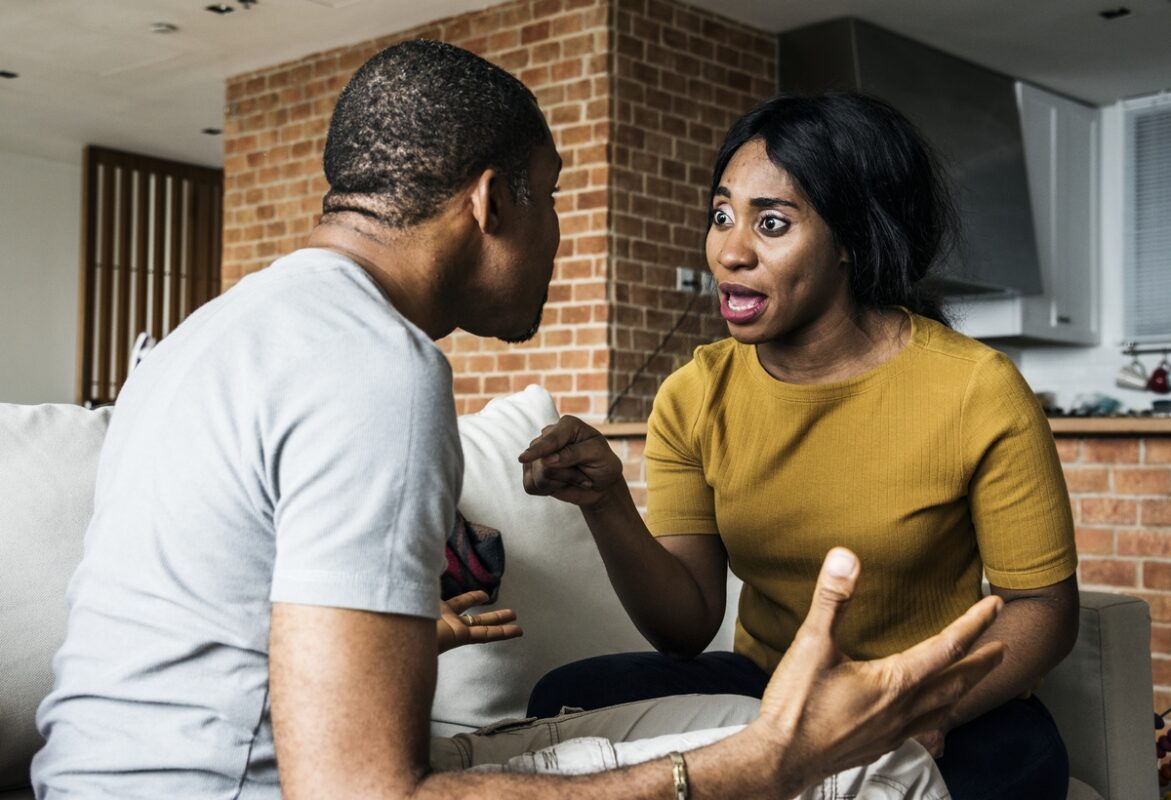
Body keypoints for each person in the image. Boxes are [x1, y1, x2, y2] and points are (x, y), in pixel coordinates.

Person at [32, 44, 1004, 799]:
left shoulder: (225, 327)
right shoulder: (375, 362)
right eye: (554, 198)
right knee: (874, 765)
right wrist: (758, 767)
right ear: (495, 202)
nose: (560, 236)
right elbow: (357, 792)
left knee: (729, 708)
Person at [521, 92, 1079, 800]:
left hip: (929, 692)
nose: (730, 251)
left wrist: (917, 709)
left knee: (1025, 761)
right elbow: (686, 625)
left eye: (772, 223)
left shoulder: (975, 388)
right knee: (565, 698)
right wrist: (605, 503)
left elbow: (1043, 609)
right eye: (721, 215)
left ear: (850, 239)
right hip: (770, 689)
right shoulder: (693, 395)